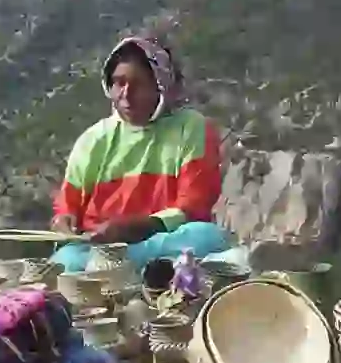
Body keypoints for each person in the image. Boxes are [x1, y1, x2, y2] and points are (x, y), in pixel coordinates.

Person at [49, 36, 230, 273]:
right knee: (66, 259)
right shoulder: (93, 140)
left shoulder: (191, 127)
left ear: (160, 86)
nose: (126, 93)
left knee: (207, 236)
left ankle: (111, 269)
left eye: (138, 84)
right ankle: (120, 268)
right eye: (118, 82)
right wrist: (64, 222)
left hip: (158, 241)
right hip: (96, 248)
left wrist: (138, 227)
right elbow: (67, 206)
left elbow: (193, 205)